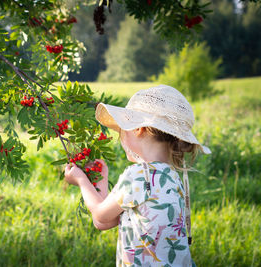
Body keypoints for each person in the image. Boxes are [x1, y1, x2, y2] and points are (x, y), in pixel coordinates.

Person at [64, 85, 211, 267]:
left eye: (122, 129)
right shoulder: (171, 177)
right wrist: (101, 180)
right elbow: (103, 221)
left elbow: (101, 216)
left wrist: (81, 180)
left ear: (138, 128)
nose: (120, 136)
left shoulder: (140, 176)